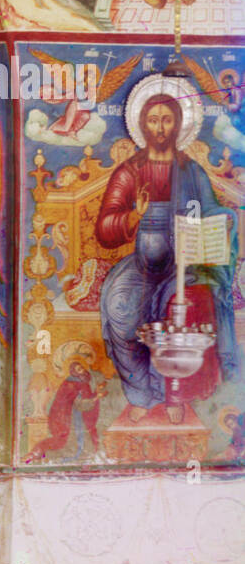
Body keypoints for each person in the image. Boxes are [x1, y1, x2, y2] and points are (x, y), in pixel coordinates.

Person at [96, 92, 237, 419]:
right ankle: (140, 394)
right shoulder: (129, 172)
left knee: (179, 308)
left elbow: (210, 211)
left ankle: (171, 396)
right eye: (153, 120)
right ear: (142, 124)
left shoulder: (191, 172)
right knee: (119, 307)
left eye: (167, 119)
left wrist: (226, 219)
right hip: (142, 263)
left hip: (183, 262)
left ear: (178, 125)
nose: (160, 127)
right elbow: (104, 228)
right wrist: (133, 216)